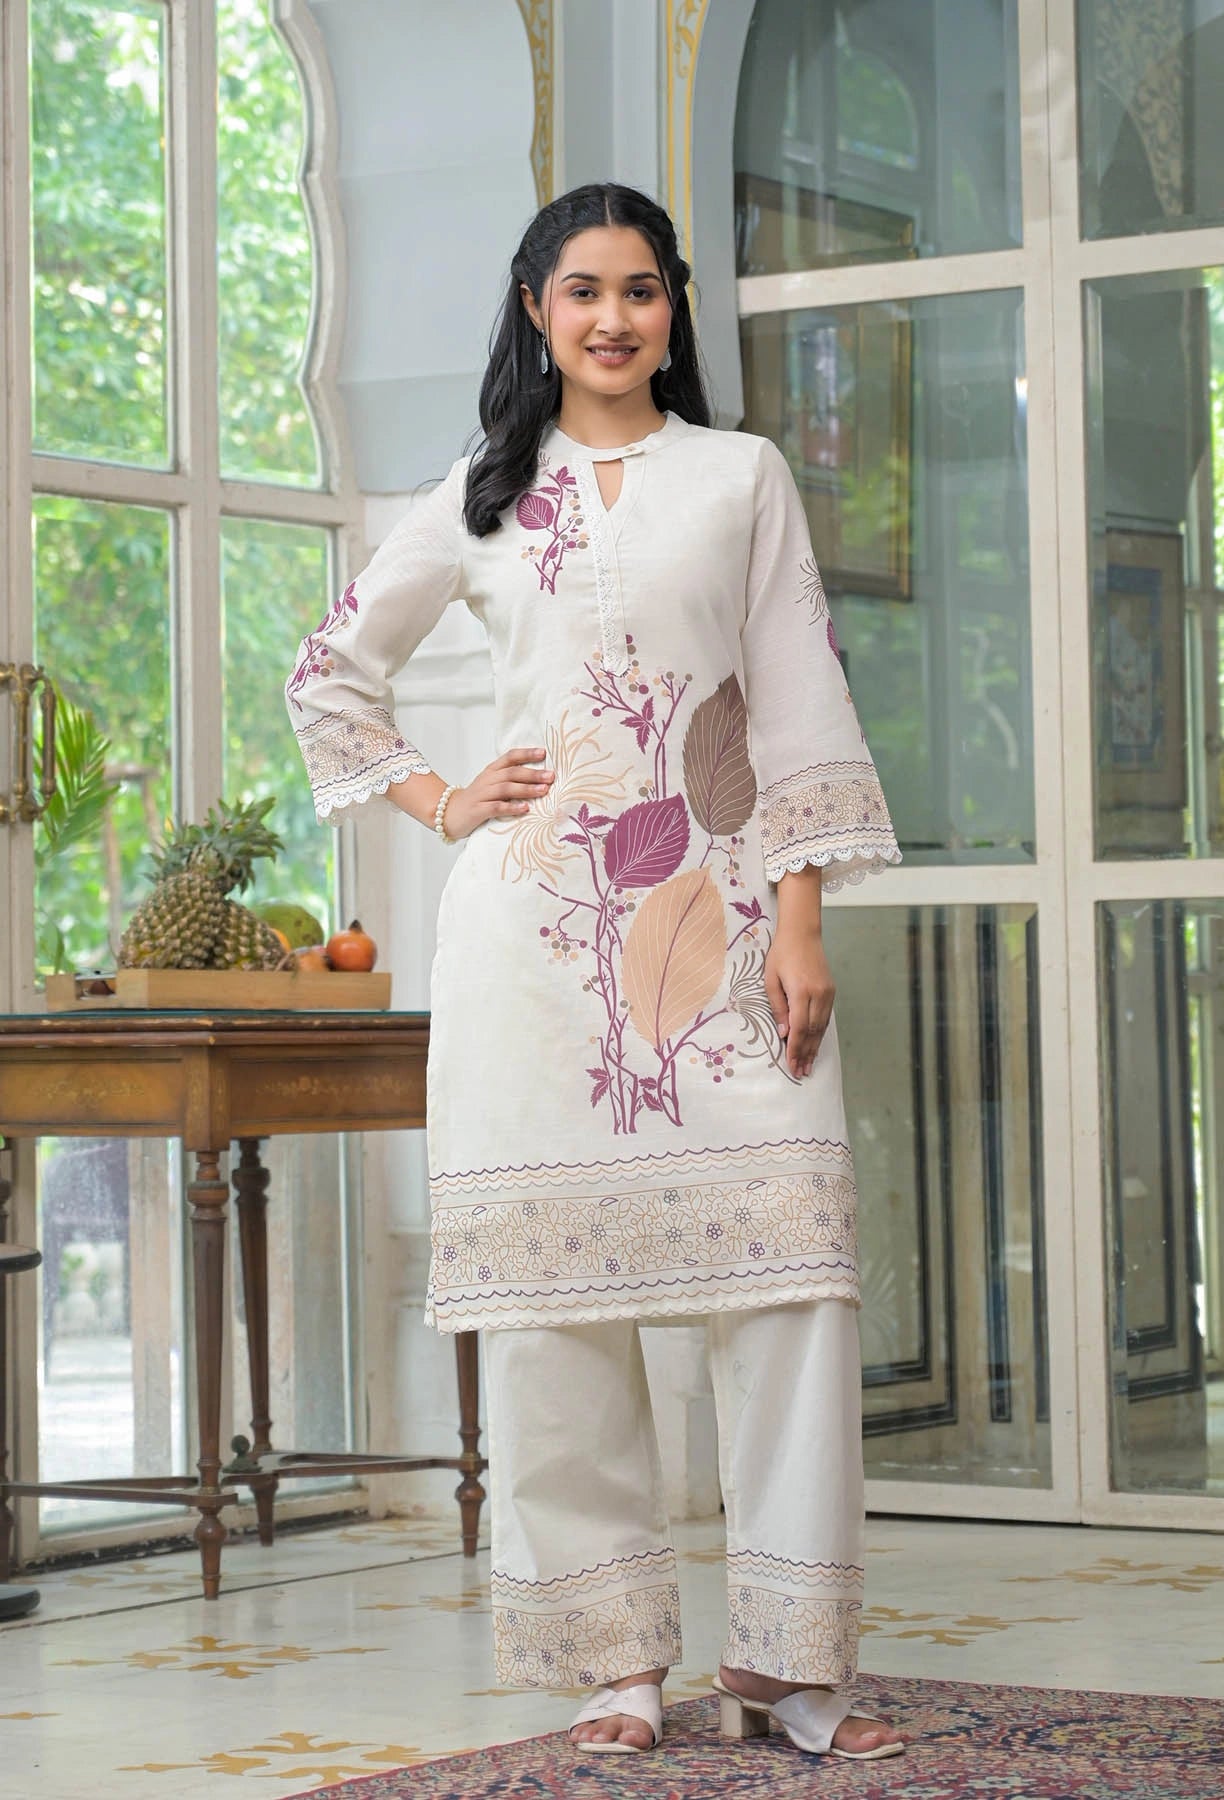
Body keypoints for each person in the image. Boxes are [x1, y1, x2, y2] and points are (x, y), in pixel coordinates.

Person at [286, 182, 904, 1761]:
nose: (615, 319)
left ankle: (786, 1659)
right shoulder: (486, 494)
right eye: (583, 292)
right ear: (535, 308)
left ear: (673, 309)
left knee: (790, 1289)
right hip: (532, 949)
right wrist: (441, 800)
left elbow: (792, 704)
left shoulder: (739, 476)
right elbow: (331, 674)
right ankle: (615, 1663)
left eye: (642, 290)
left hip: (724, 929)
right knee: (560, 1321)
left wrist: (803, 916)